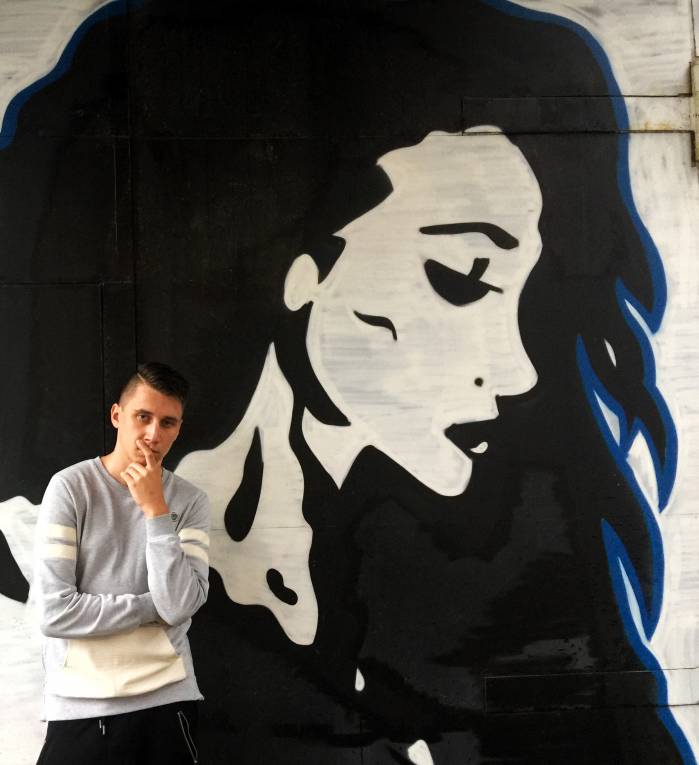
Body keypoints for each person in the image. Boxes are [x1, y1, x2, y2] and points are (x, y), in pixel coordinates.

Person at [33, 362, 210, 765]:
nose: (153, 434)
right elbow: (55, 613)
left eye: (167, 422)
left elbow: (178, 607)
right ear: (117, 415)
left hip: (167, 703)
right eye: (142, 417)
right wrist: (153, 607)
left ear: (178, 429)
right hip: (80, 706)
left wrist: (156, 510)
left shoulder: (190, 502)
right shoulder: (70, 488)